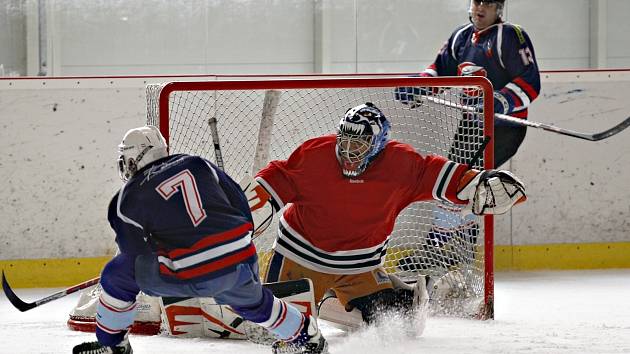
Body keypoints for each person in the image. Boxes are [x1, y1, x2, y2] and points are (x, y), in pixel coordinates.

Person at [243, 102, 526, 326]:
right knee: (271, 327)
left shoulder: (400, 163)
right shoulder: (316, 153)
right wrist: (251, 202)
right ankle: (314, 300)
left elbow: (435, 172)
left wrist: (475, 184)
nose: (348, 152)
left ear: (378, 145)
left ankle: (371, 299)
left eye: (359, 145)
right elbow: (280, 175)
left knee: (399, 323)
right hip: (300, 259)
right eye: (345, 142)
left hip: (359, 267)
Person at [72, 126, 327, 354]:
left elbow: (135, 253)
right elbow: (239, 201)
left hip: (187, 270)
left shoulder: (125, 197)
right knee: (251, 302)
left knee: (117, 274)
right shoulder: (198, 163)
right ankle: (307, 336)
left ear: (132, 158)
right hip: (239, 255)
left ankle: (112, 344)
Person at [394, 0, 540, 269]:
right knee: (458, 181)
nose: (481, 7)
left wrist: (499, 100)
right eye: (477, 2)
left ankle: (437, 248)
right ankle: (460, 249)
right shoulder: (461, 37)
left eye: (489, 3)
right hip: (471, 125)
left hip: (504, 128)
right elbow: (440, 70)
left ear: (499, 9)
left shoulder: (508, 36)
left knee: (461, 181)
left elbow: (530, 81)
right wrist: (420, 86)